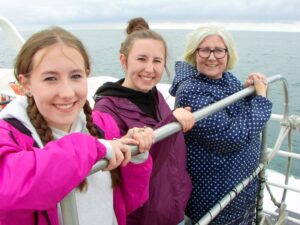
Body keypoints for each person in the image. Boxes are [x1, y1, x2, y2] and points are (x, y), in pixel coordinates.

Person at [0, 26, 155, 225]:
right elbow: (8, 191)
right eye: (50, 78)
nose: (67, 92)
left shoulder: (102, 125)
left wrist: (136, 156)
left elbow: (128, 202)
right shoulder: (9, 135)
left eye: (75, 76)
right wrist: (93, 147)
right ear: (26, 84)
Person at [93, 19, 195, 225]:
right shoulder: (106, 110)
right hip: (143, 216)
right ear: (124, 60)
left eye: (157, 61)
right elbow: (121, 171)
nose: (150, 69)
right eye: (141, 59)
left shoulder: (154, 94)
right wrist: (171, 121)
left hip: (173, 205)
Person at [169, 23, 273, 224]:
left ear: (228, 54)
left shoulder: (226, 78)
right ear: (194, 53)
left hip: (241, 190)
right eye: (204, 50)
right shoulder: (192, 91)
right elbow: (230, 138)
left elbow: (239, 113)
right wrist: (261, 98)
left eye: (218, 50)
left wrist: (248, 91)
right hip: (216, 197)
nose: (212, 56)